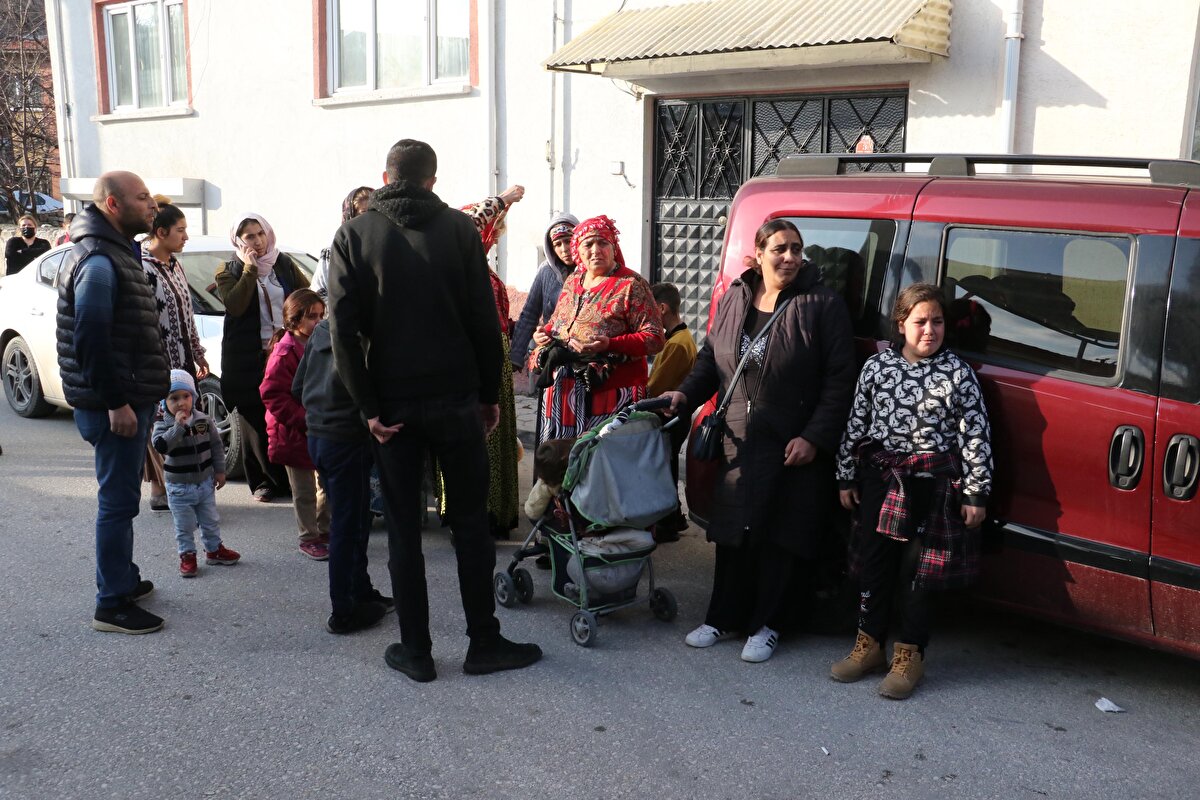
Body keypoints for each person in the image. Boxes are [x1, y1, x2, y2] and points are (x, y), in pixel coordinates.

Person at [328, 138, 542, 682]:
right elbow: (483, 319)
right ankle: (483, 642)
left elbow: (343, 333)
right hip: (455, 402)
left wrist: (367, 408)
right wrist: (490, 399)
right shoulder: (458, 230)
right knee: (469, 525)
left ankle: (416, 651)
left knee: (403, 530)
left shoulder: (354, 235)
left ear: (384, 177)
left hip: (393, 406)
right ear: (432, 180)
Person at [660, 219, 856, 664]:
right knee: (732, 534)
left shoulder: (822, 305)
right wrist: (686, 395)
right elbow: (712, 357)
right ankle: (722, 617)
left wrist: (814, 436)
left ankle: (768, 625)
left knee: (780, 537)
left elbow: (840, 380)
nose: (790, 257)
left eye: (797, 249)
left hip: (792, 444)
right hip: (738, 436)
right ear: (760, 252)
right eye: (780, 249)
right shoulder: (736, 297)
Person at [831, 282, 993, 700]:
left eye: (936, 321)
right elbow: (856, 424)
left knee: (918, 572)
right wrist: (846, 475)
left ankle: (910, 654)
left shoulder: (958, 375)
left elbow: (975, 436)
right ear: (901, 324)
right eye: (920, 322)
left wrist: (976, 493)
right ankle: (868, 644)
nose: (929, 330)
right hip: (880, 480)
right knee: (874, 564)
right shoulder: (877, 368)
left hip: (932, 486)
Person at [56, 171, 169, 634]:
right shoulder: (99, 261)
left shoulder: (115, 252)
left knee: (122, 498)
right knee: (118, 501)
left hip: (125, 397)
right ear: (112, 205)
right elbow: (91, 338)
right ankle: (111, 603)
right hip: (114, 404)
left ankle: (122, 577)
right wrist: (116, 402)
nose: (152, 206)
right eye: (142, 198)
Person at [294, 315, 393, 634]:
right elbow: (369, 387)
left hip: (320, 436)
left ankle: (360, 591)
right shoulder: (363, 333)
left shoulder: (322, 328)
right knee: (347, 527)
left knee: (355, 521)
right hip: (344, 438)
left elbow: (298, 386)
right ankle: (343, 612)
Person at [530, 215, 665, 444]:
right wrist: (543, 334)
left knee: (600, 465)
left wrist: (611, 344)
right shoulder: (574, 280)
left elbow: (654, 338)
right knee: (560, 464)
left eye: (602, 243)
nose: (596, 250)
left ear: (613, 247)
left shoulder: (631, 285)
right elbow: (558, 323)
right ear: (578, 251)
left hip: (611, 395)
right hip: (564, 396)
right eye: (588, 244)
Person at [446, 184, 525, 539]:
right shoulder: (458, 267)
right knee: (481, 439)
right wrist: (501, 201)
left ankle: (492, 512)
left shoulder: (479, 268)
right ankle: (479, 514)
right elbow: (469, 224)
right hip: (475, 361)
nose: (491, 240)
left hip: (494, 357)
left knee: (497, 439)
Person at [214, 213, 309, 502]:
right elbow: (236, 304)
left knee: (286, 412)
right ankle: (263, 481)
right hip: (247, 355)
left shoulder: (283, 263)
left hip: (284, 352)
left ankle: (291, 477)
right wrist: (249, 269)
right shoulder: (227, 269)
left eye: (260, 234)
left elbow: (305, 296)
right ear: (238, 242)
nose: (257, 241)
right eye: (249, 237)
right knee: (253, 418)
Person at [141, 197, 209, 513]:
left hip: (180, 362)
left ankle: (183, 484)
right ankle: (159, 487)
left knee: (181, 419)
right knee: (159, 424)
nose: (185, 237)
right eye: (180, 230)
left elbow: (187, 313)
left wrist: (197, 353)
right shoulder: (141, 266)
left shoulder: (174, 264)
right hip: (155, 364)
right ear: (161, 231)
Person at [260, 289, 331, 560]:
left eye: (321, 315)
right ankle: (308, 536)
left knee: (326, 483)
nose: (318, 322)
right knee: (304, 491)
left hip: (319, 427)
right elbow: (272, 393)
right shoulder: (285, 351)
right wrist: (303, 418)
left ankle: (324, 529)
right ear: (294, 318)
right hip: (294, 432)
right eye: (312, 317)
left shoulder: (319, 342)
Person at [152, 369, 241, 578]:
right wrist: (178, 427)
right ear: (164, 403)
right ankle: (187, 555)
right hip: (179, 487)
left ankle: (214, 549)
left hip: (205, 483)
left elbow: (216, 446)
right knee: (184, 526)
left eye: (186, 396)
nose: (181, 403)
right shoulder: (163, 424)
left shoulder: (204, 420)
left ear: (194, 397)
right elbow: (162, 446)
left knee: (210, 520)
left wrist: (220, 471)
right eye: (174, 398)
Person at [646, 281, 698, 541]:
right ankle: (673, 517)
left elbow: (656, 386)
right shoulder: (678, 338)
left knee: (664, 469)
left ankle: (669, 522)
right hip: (674, 414)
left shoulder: (677, 344)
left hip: (670, 414)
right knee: (666, 466)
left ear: (662, 308)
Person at [311, 186, 373, 300]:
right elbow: (319, 293)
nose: (368, 219)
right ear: (350, 216)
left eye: (373, 213)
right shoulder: (332, 253)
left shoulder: (385, 249)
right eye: (362, 213)